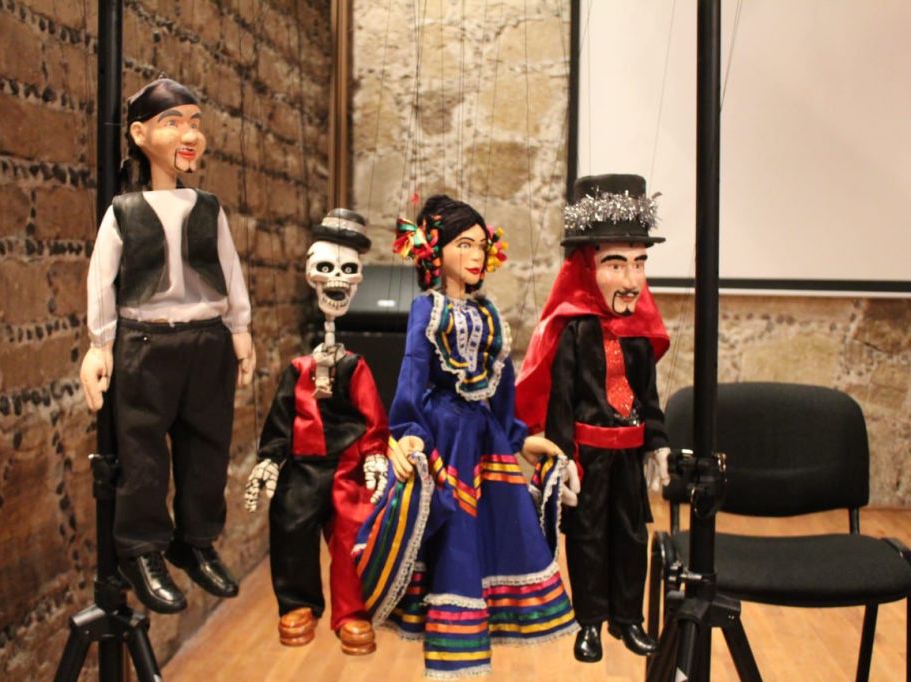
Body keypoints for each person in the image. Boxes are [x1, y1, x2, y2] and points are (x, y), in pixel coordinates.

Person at [354, 195, 579, 679]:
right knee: (454, 534)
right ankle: (452, 654)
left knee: (490, 535)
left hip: (484, 439)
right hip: (444, 438)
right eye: (464, 244)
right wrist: (408, 431)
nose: (476, 255)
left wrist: (520, 438)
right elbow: (413, 372)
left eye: (480, 245)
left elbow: (502, 385)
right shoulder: (427, 309)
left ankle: (476, 642)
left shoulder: (489, 313)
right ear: (436, 251)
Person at [79, 78, 254, 614]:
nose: (189, 135)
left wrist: (240, 330)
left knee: (208, 449)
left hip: (207, 341)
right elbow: (101, 279)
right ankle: (141, 548)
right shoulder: (125, 212)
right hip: (146, 343)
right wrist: (100, 345)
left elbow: (230, 270)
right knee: (142, 454)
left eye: (195, 123)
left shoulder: (208, 208)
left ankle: (196, 540)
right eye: (173, 122)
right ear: (139, 134)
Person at [516, 173, 671, 662]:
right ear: (587, 266)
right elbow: (560, 401)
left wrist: (658, 442)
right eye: (616, 264)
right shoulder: (573, 332)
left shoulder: (639, 333)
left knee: (631, 535)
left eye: (639, 264)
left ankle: (628, 617)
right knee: (586, 538)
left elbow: (648, 396)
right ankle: (590, 621)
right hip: (587, 459)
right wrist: (561, 460)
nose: (631, 280)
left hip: (629, 458)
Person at [244, 209, 389, 656]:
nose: (337, 280)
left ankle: (353, 611)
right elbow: (281, 415)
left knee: (353, 533)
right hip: (304, 467)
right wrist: (270, 458)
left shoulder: (355, 366)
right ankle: (298, 603)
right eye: (326, 268)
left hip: (347, 466)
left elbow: (371, 414)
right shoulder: (299, 368)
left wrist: (375, 454)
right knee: (290, 525)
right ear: (311, 274)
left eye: (347, 270)